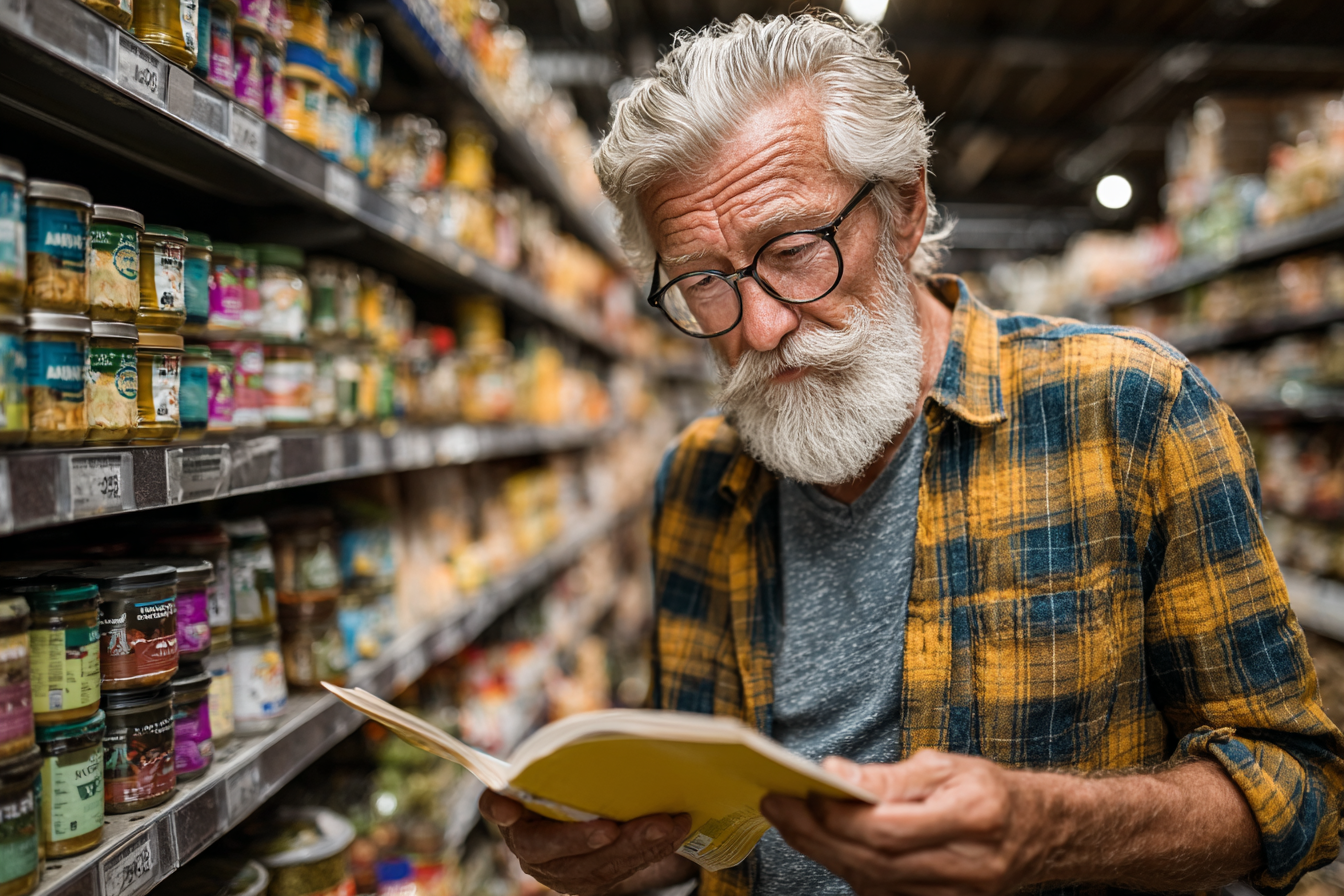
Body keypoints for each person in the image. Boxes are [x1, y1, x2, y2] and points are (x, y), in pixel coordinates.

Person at [479, 12, 1344, 896]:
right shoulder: (700, 477)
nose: (765, 327)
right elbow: (712, 829)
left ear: (905, 206)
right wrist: (618, 849)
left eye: (795, 250)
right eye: (705, 283)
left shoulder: (1133, 413)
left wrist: (1052, 832)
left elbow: (1301, 784)